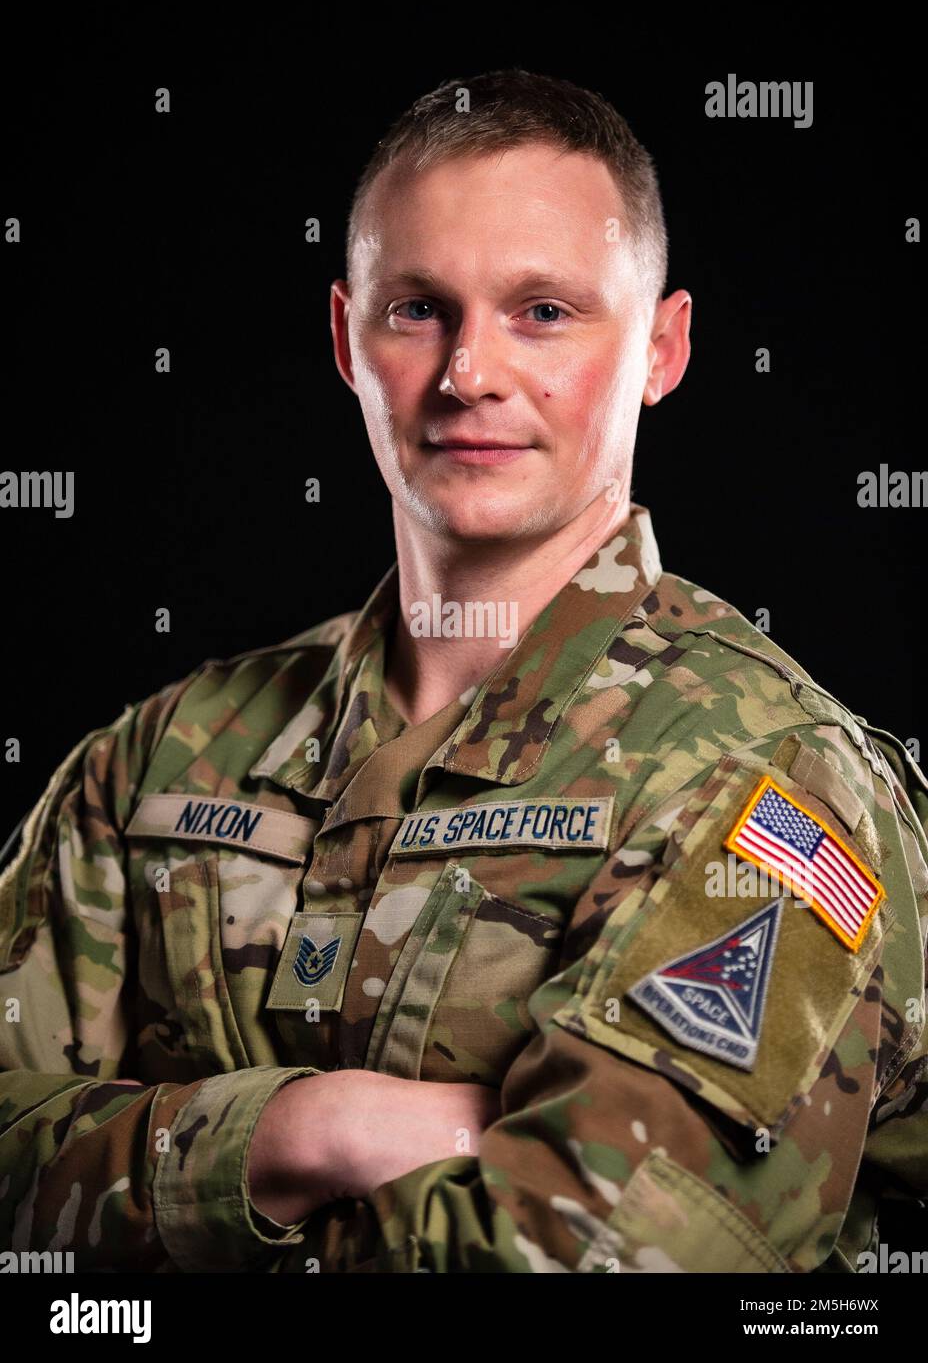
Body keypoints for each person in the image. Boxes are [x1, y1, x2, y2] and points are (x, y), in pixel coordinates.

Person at [1, 68, 925, 1275]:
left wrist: (149, 1205)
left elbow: (594, 1256)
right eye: (419, 308)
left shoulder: (767, 777)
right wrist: (297, 1135)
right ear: (346, 338)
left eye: (543, 311)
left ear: (662, 348)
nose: (469, 374)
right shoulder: (164, 756)